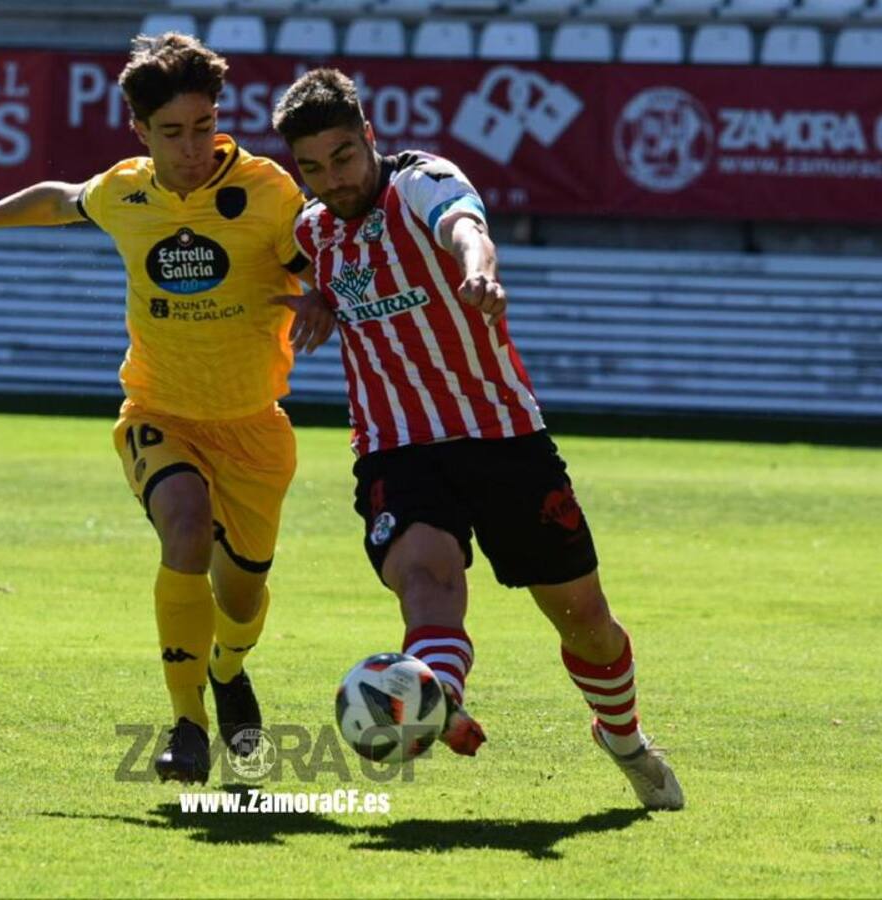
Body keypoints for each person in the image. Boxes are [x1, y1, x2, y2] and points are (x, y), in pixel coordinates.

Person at [0, 34, 333, 785]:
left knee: (240, 600)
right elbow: (61, 199)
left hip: (253, 427)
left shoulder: (268, 193)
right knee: (184, 528)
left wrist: (326, 299)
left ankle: (228, 670)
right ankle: (187, 725)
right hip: (157, 411)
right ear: (140, 131)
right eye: (171, 132)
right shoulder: (126, 191)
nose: (192, 146)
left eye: (204, 125)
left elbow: (324, 262)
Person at [271, 69, 683, 810]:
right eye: (313, 167)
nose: (332, 178)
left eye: (343, 156)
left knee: (585, 622)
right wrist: (319, 302)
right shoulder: (312, 231)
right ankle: (437, 703)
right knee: (427, 583)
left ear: (369, 137)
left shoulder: (420, 181)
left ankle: (623, 738)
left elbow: (466, 227)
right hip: (395, 448)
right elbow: (328, 276)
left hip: (501, 439)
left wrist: (479, 274)